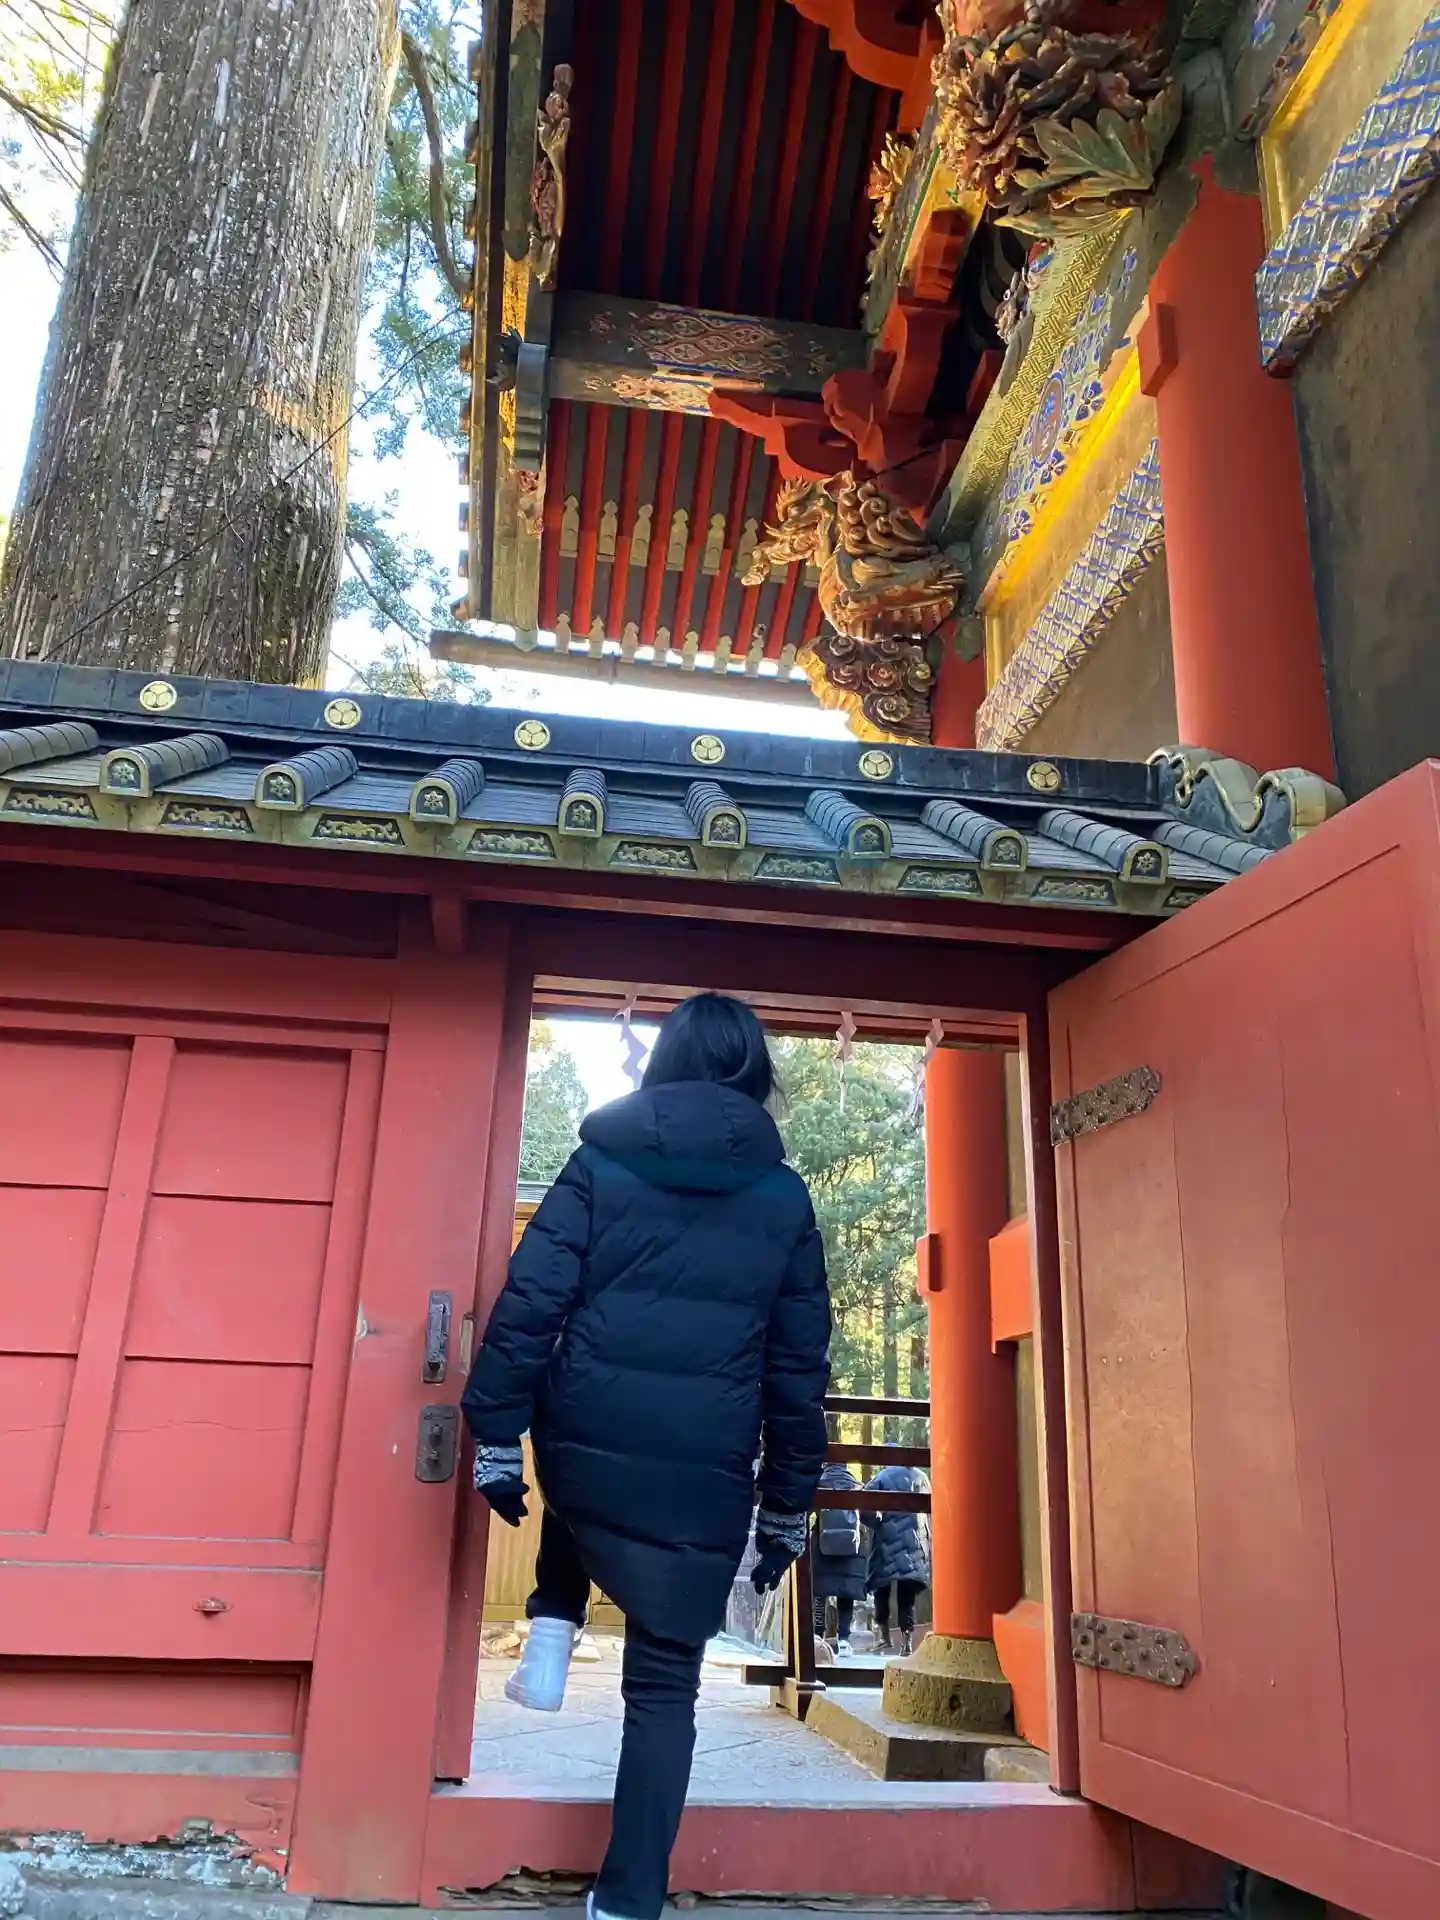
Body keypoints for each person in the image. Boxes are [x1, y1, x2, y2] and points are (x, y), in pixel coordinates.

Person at [461, 993, 831, 1920]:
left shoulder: (601, 1162)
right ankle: (626, 1900)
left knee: (582, 1477)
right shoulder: (784, 1199)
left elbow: (532, 1300)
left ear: (663, 1062)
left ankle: (553, 1625)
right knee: (665, 1688)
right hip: (705, 1459)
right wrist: (787, 1503)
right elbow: (798, 1367)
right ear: (755, 1074)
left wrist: (497, 1433)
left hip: (589, 1428)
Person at [863, 1463, 931, 1657]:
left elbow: (863, 1507)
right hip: (915, 1543)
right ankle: (906, 1643)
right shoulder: (922, 1478)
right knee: (906, 1595)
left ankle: (885, 1637)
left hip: (887, 1540)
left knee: (881, 1588)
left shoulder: (882, 1477)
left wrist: (876, 1525)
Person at [810, 1458, 866, 1656]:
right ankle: (843, 1640)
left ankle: (817, 1637)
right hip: (850, 1548)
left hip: (822, 1546)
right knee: (845, 1594)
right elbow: (869, 1515)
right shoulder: (856, 1485)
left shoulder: (818, 1482)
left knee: (820, 1593)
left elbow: (806, 1510)